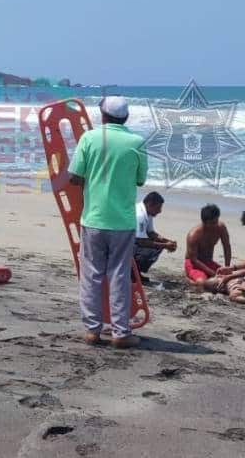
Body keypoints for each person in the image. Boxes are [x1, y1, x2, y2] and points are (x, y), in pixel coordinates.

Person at [68, 96, 148, 349]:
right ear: (125, 118)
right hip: (122, 221)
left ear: (102, 116)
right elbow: (140, 180)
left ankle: (92, 330)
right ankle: (120, 332)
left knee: (91, 275)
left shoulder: (89, 138)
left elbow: (74, 176)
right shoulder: (136, 142)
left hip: (93, 218)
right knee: (119, 276)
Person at [183, 204, 231, 290]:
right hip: (194, 265)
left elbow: (227, 247)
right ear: (205, 222)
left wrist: (227, 268)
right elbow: (194, 260)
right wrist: (213, 273)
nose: (215, 225)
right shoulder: (194, 235)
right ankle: (190, 280)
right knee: (201, 283)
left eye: (216, 221)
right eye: (212, 223)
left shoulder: (221, 227)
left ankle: (209, 278)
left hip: (208, 262)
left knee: (230, 279)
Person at [133, 191, 177, 284]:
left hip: (132, 242)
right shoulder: (140, 215)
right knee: (154, 249)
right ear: (150, 204)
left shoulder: (147, 212)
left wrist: (168, 241)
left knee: (158, 246)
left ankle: (136, 272)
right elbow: (141, 242)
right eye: (158, 207)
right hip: (125, 245)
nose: (160, 211)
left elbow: (151, 233)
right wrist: (165, 245)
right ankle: (132, 273)